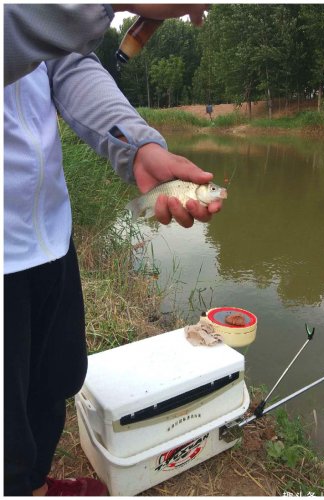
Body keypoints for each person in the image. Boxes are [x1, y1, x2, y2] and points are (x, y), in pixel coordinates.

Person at [4, 4, 221, 496]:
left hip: (48, 233)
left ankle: (32, 485)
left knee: (56, 378)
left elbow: (66, 62)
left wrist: (138, 146)